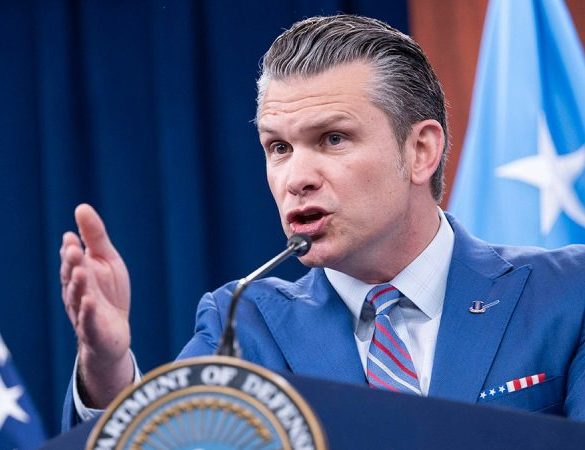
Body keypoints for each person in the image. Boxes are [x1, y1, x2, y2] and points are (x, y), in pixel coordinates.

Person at [60, 15, 585, 429]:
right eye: (278, 148)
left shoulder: (566, 294)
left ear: (420, 151)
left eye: (333, 139)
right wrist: (107, 371)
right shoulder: (243, 326)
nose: (296, 178)